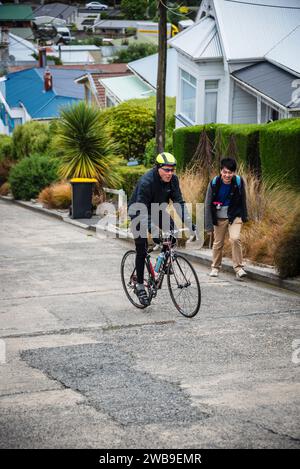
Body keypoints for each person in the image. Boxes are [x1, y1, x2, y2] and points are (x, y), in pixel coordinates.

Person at [128, 152, 195, 306]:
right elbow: (141, 211)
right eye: (166, 170)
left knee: (173, 233)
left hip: (157, 210)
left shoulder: (173, 180)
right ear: (157, 168)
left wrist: (190, 224)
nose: (170, 173)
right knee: (141, 249)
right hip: (138, 211)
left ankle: (165, 262)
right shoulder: (147, 181)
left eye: (172, 170)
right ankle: (139, 286)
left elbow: (179, 203)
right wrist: (153, 230)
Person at [204, 157, 248, 280]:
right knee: (218, 243)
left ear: (234, 173)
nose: (227, 175)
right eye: (225, 172)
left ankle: (239, 268)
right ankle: (215, 267)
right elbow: (208, 203)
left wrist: (244, 215)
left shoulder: (238, 181)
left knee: (235, 239)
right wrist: (208, 225)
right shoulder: (214, 182)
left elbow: (244, 199)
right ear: (221, 171)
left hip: (234, 215)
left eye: (230, 172)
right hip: (219, 217)